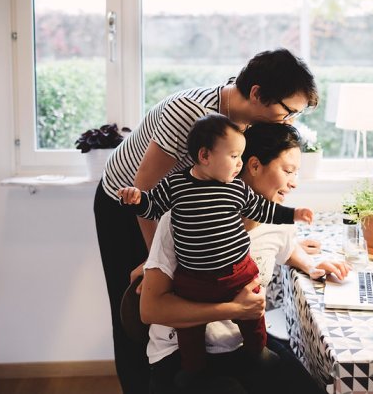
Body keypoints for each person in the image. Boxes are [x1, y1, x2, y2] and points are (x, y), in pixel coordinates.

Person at [93, 48, 318, 394]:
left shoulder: (247, 119)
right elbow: (144, 188)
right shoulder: (190, 113)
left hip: (171, 201)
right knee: (134, 310)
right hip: (126, 200)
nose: (289, 121)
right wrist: (155, 261)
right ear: (257, 93)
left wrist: (282, 242)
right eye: (288, 111)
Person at [140, 123, 351, 394]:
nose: (294, 182)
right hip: (180, 353)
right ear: (253, 165)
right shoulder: (184, 218)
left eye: (296, 173)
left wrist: (311, 264)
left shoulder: (278, 221)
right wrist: (234, 310)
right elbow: (150, 310)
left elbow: (286, 248)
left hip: (241, 344)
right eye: (287, 171)